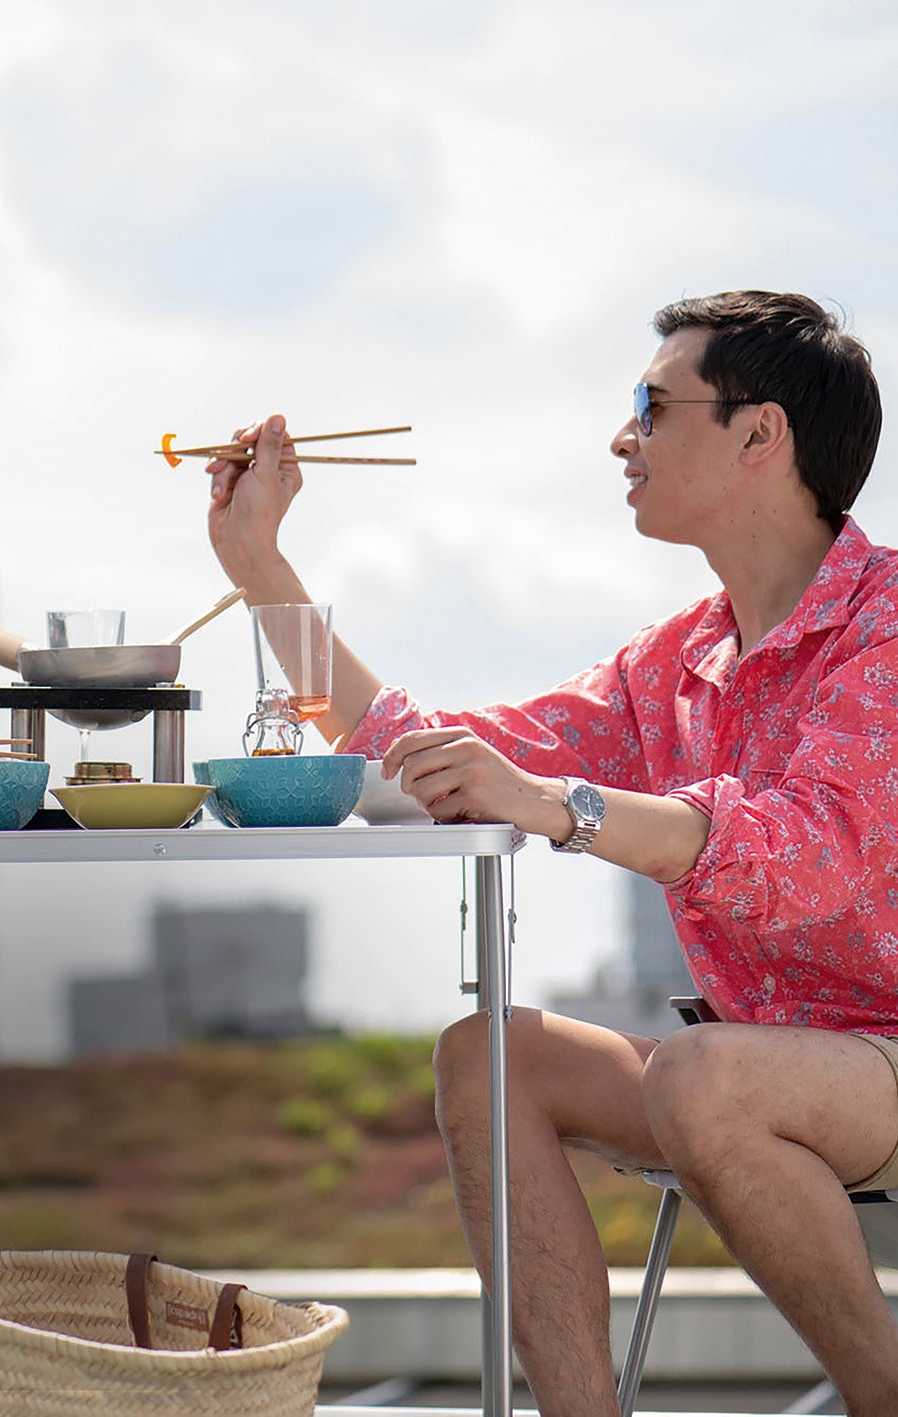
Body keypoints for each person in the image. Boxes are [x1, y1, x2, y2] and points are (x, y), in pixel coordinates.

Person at [204, 292, 898, 1416]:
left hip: (874, 1056)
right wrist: (258, 564)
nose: (622, 438)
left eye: (652, 407)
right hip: (740, 1067)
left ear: (760, 434)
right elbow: (431, 754)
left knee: (701, 1071)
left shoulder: (887, 623)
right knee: (489, 1056)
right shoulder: (669, 663)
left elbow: (808, 853)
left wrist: (560, 807)